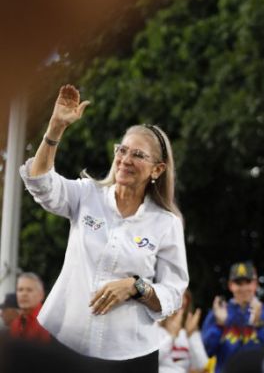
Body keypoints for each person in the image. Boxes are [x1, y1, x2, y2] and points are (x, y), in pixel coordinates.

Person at [18, 84, 189, 373]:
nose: (125, 159)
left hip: (131, 355)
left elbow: (174, 292)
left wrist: (136, 287)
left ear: (157, 170)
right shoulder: (87, 195)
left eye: (138, 155)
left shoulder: (167, 223)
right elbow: (41, 183)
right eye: (122, 150)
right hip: (65, 344)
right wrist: (56, 127)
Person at [201, 261, 264, 372]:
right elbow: (204, 353)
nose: (244, 288)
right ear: (230, 285)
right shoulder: (218, 313)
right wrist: (219, 325)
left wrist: (259, 324)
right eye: (238, 283)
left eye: (248, 282)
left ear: (255, 284)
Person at [157, 289, 209, 373]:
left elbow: (202, 366)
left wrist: (191, 336)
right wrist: (172, 337)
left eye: (183, 306)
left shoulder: (190, 332)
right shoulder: (155, 327)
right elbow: (150, 360)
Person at [9, 272, 50, 341]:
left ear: (41, 295)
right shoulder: (15, 322)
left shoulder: (47, 322)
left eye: (29, 290)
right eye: (20, 290)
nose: (24, 294)